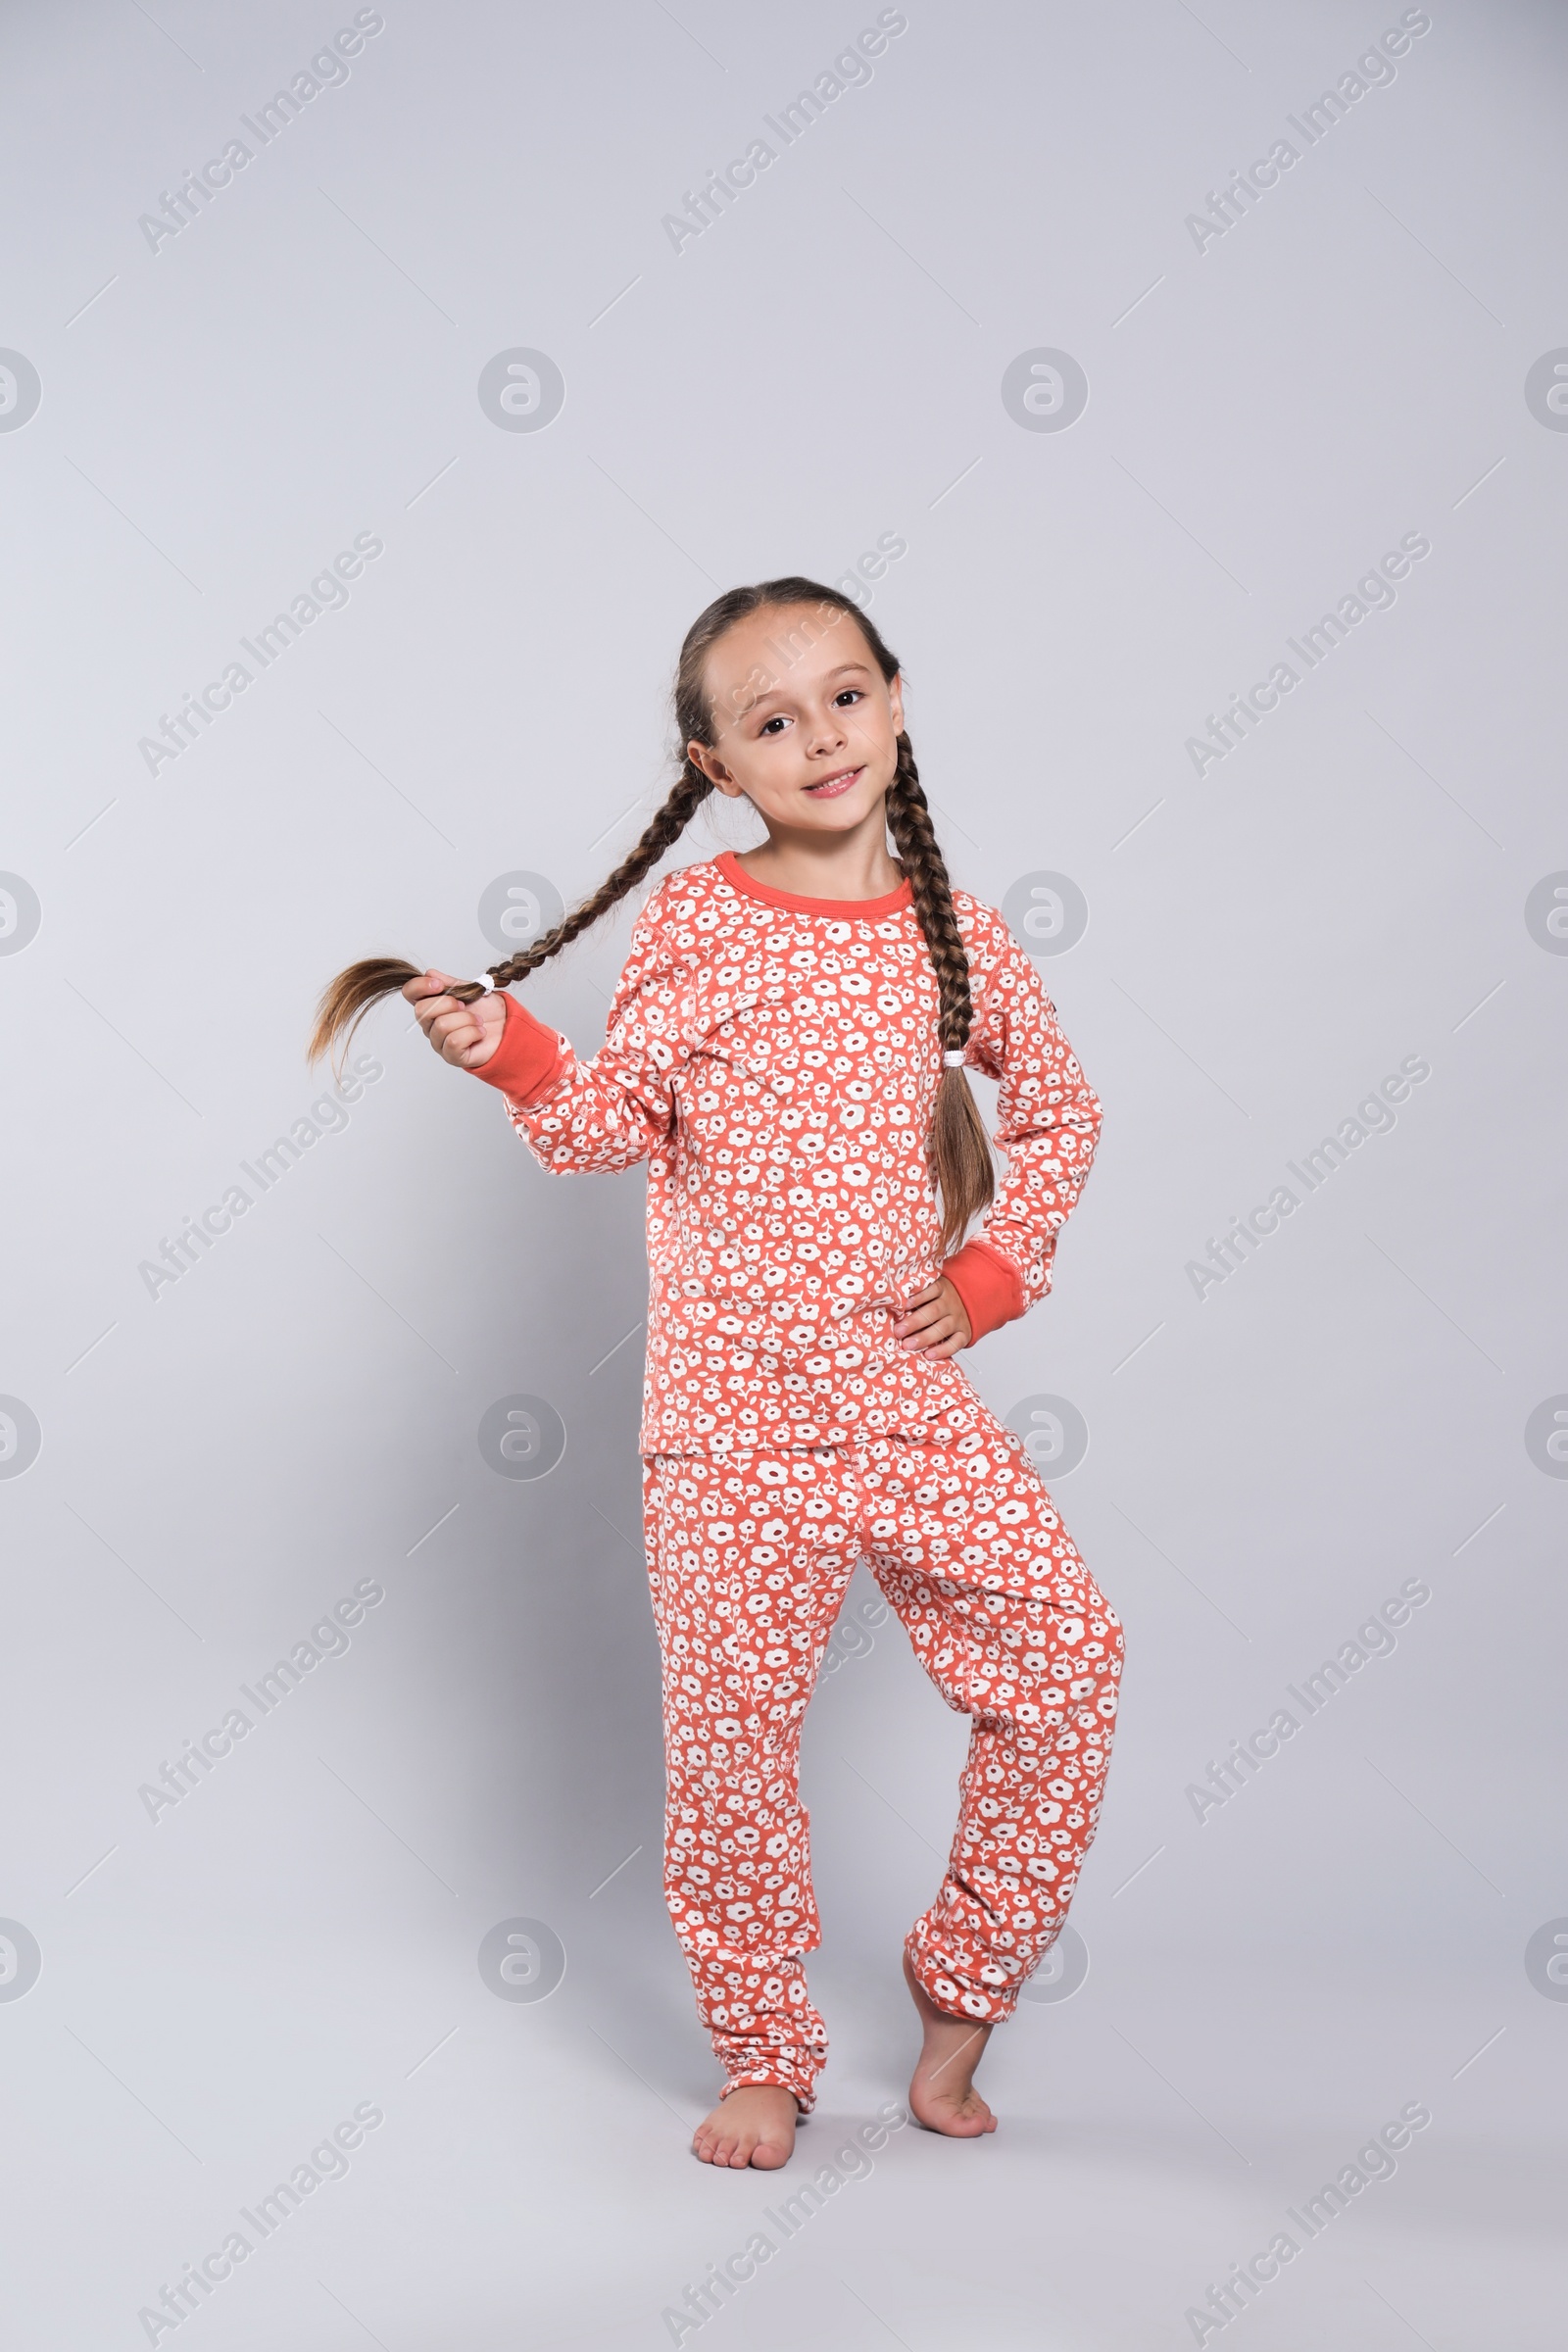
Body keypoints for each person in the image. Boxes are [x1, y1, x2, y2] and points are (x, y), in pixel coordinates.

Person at [310, 578, 1124, 2172]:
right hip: (733, 1428)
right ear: (718, 765)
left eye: (842, 696)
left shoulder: (955, 932)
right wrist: (517, 1055)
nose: (818, 736)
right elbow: (614, 1125)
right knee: (733, 1748)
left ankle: (960, 2001)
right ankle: (765, 2050)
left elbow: (1063, 1113)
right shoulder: (702, 920)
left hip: (903, 1406)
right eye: (772, 721)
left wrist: (988, 1271)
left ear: (895, 698)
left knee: (1068, 1664)